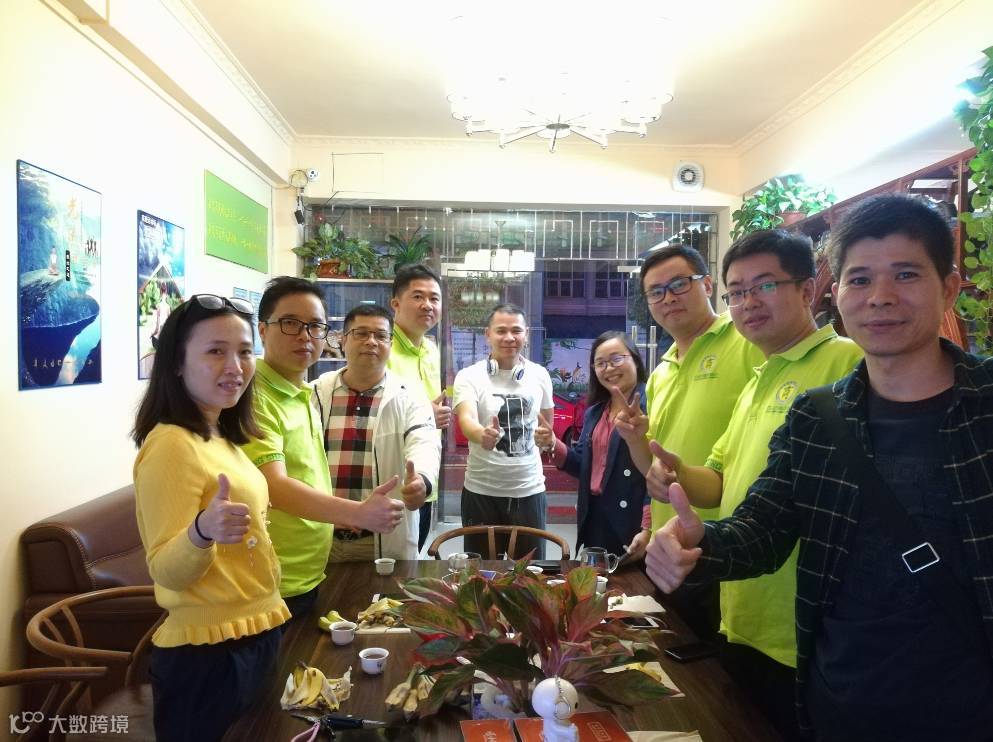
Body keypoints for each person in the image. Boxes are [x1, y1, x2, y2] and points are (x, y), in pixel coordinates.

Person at [645, 194, 993, 741]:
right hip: (838, 695)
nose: (880, 297)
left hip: (968, 707)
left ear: (948, 288)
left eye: (905, 274)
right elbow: (764, 528)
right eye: (860, 279)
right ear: (837, 294)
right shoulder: (818, 414)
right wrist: (700, 542)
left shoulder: (985, 407)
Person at [644, 230, 862, 740]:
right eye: (737, 292)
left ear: (808, 290)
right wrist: (677, 474)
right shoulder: (760, 379)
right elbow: (719, 483)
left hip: (806, 625)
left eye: (764, 286)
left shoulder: (847, 363)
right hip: (743, 611)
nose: (747, 303)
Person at [131, 294, 288, 741]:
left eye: (244, 351)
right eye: (216, 351)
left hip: (255, 634)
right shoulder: (171, 444)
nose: (235, 366)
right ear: (177, 364)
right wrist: (202, 531)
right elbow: (165, 570)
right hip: (208, 657)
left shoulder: (220, 433)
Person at [617, 245, 762, 639]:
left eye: (679, 284)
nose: (668, 298)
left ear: (708, 285)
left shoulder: (746, 341)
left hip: (725, 541)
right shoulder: (662, 371)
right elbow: (655, 469)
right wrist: (636, 440)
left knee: (718, 666)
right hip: (668, 548)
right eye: (656, 291)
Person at [241, 277, 403, 620]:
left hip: (306, 571)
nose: (305, 335)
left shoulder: (304, 392)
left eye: (315, 326)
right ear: (262, 330)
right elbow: (273, 486)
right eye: (290, 323)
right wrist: (356, 513)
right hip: (273, 579)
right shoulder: (255, 396)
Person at [316, 304, 440, 561]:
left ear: (390, 343)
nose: (371, 341)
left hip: (380, 540)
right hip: (321, 537)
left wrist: (422, 481)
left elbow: (424, 442)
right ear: (343, 340)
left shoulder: (410, 396)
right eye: (361, 333)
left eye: (381, 335)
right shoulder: (316, 392)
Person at [535, 331, 651, 558]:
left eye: (616, 359)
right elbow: (583, 466)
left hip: (633, 520)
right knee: (596, 579)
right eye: (600, 363)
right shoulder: (595, 413)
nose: (609, 368)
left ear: (636, 360)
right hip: (595, 516)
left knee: (633, 581)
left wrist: (648, 526)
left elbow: (658, 472)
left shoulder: (653, 405)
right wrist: (553, 443)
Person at [453, 303, 554, 558]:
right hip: (481, 491)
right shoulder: (469, 376)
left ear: (526, 334)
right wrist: (481, 435)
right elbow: (466, 419)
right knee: (480, 573)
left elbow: (547, 428)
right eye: (501, 331)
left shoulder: (540, 375)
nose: (509, 337)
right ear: (488, 334)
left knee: (532, 574)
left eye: (516, 330)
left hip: (529, 491)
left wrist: (548, 438)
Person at [386, 263, 448, 551]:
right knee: (390, 565)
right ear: (396, 304)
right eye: (418, 296)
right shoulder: (382, 347)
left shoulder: (431, 350)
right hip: (392, 483)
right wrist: (426, 415)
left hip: (426, 479)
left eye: (434, 298)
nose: (428, 305)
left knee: (413, 559)